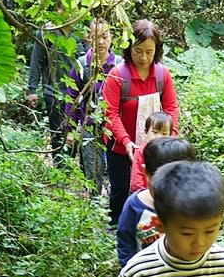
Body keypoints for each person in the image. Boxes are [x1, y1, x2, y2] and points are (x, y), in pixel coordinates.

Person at [102, 19, 180, 227]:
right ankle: (117, 230)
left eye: (149, 51)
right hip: (120, 147)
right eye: (138, 51)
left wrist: (169, 140)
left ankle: (146, 230)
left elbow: (171, 107)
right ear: (129, 48)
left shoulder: (163, 75)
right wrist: (126, 142)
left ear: (157, 50)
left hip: (154, 146)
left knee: (151, 189)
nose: (143, 57)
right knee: (120, 189)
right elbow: (110, 113)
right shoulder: (117, 76)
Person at [117, 136, 197, 267]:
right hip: (145, 275)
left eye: (177, 182)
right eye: (162, 182)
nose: (168, 190)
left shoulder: (194, 205)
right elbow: (125, 242)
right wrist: (128, 270)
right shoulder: (135, 206)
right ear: (145, 172)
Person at [64, 18, 121, 194]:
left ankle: (115, 210)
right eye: (97, 37)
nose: (101, 42)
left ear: (111, 36)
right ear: (89, 38)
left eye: (105, 36)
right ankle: (94, 208)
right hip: (89, 126)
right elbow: (72, 98)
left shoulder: (119, 65)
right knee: (92, 170)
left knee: (115, 172)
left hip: (116, 128)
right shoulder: (82, 65)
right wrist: (70, 129)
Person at [27, 22, 86, 160]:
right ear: (59, 9)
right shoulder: (48, 32)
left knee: (75, 136)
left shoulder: (80, 32)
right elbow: (36, 61)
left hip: (77, 95)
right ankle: (60, 173)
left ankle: (71, 171)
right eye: (65, 8)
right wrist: (32, 89)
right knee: (58, 136)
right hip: (53, 92)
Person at [129, 111, 173, 193]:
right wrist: (141, 193)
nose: (159, 137)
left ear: (170, 135)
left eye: (164, 133)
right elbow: (137, 176)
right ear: (146, 131)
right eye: (155, 132)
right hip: (142, 193)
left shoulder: (170, 152)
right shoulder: (141, 151)